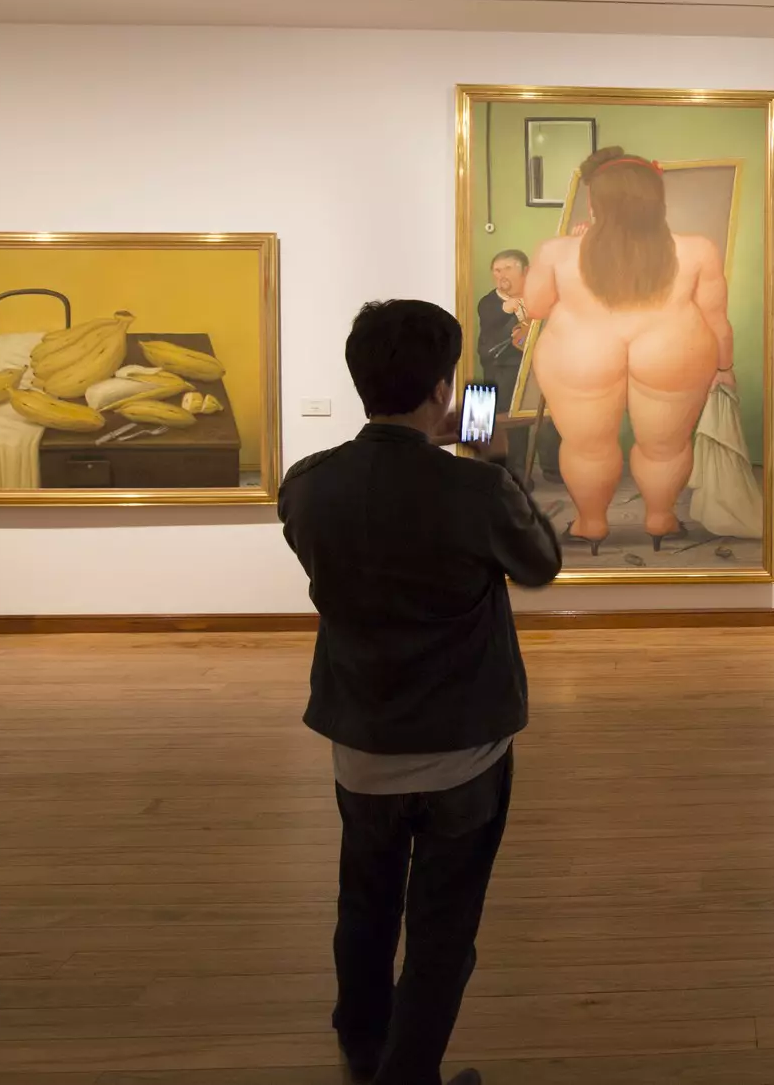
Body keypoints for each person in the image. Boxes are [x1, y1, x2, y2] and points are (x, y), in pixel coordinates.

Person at [279, 299, 560, 1085]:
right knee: (443, 928)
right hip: (463, 751)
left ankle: (362, 1047)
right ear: (444, 390)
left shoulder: (308, 486)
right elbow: (540, 565)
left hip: (360, 746)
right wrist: (492, 464)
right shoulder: (475, 493)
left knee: (364, 906)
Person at [521, 148, 734, 554]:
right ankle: (660, 519)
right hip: (672, 350)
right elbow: (716, 318)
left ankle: (591, 525)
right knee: (666, 446)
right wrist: (724, 365)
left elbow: (535, 308)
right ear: (657, 200)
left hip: (580, 354)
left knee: (586, 447)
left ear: (594, 201)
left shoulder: (556, 251)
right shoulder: (698, 249)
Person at [474, 249, 537, 482]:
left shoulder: (537, 297)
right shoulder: (489, 302)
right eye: (497, 270)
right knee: (502, 417)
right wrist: (507, 310)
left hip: (532, 366)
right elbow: (490, 324)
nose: (502, 275)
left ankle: (522, 471)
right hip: (500, 367)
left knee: (522, 419)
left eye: (508, 268)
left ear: (526, 271)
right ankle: (499, 472)